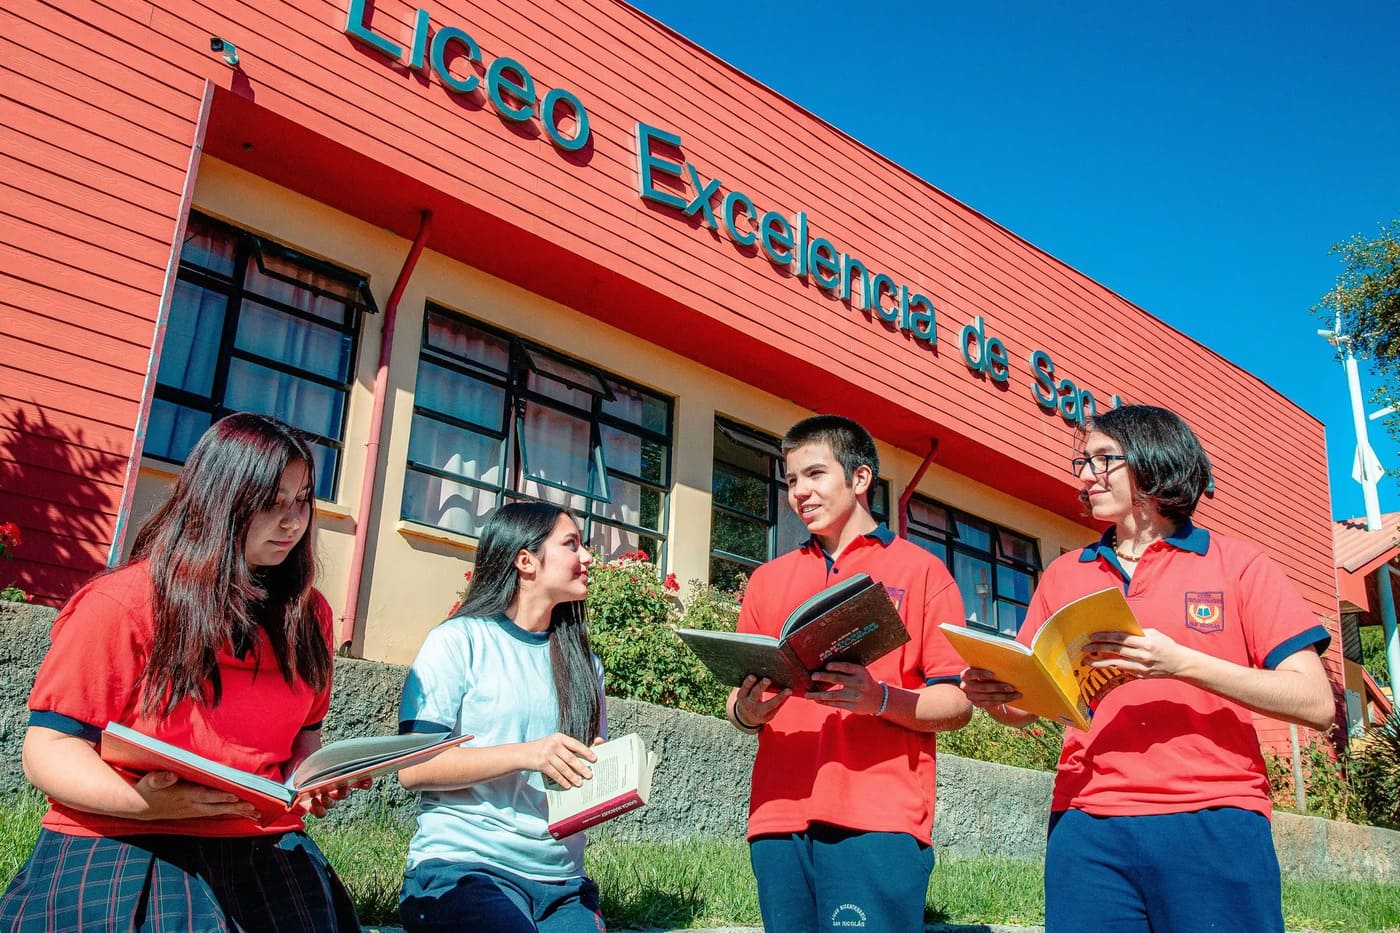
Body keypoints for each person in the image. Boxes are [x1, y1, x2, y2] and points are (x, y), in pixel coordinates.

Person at [960, 404, 1335, 933]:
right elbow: (1025, 709)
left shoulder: (1238, 564)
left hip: (1214, 816)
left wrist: (1180, 663)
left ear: (1152, 460)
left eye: (1102, 460)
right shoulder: (1066, 573)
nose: (1086, 476)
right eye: (1083, 462)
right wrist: (999, 696)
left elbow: (1315, 702)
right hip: (1087, 822)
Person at [0, 412, 361, 932]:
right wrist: (143, 804)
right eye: (271, 502)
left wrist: (312, 778)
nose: (293, 522)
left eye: (302, 499)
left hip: (260, 841)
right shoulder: (122, 603)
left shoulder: (308, 616)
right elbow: (49, 749)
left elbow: (305, 736)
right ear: (218, 501)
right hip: (123, 834)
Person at [728, 414, 972, 933]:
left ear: (860, 478)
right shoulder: (766, 580)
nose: (800, 492)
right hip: (777, 815)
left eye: (815, 474)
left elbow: (957, 704)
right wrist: (746, 710)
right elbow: (737, 701)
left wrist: (878, 699)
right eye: (791, 479)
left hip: (878, 816)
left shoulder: (922, 571)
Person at [396, 501, 608, 933]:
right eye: (571, 544)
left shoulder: (586, 665)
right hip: (463, 867)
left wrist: (603, 773)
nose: (587, 557)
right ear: (525, 560)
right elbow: (412, 768)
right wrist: (528, 754)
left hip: (563, 881)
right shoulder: (458, 641)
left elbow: (578, 771)